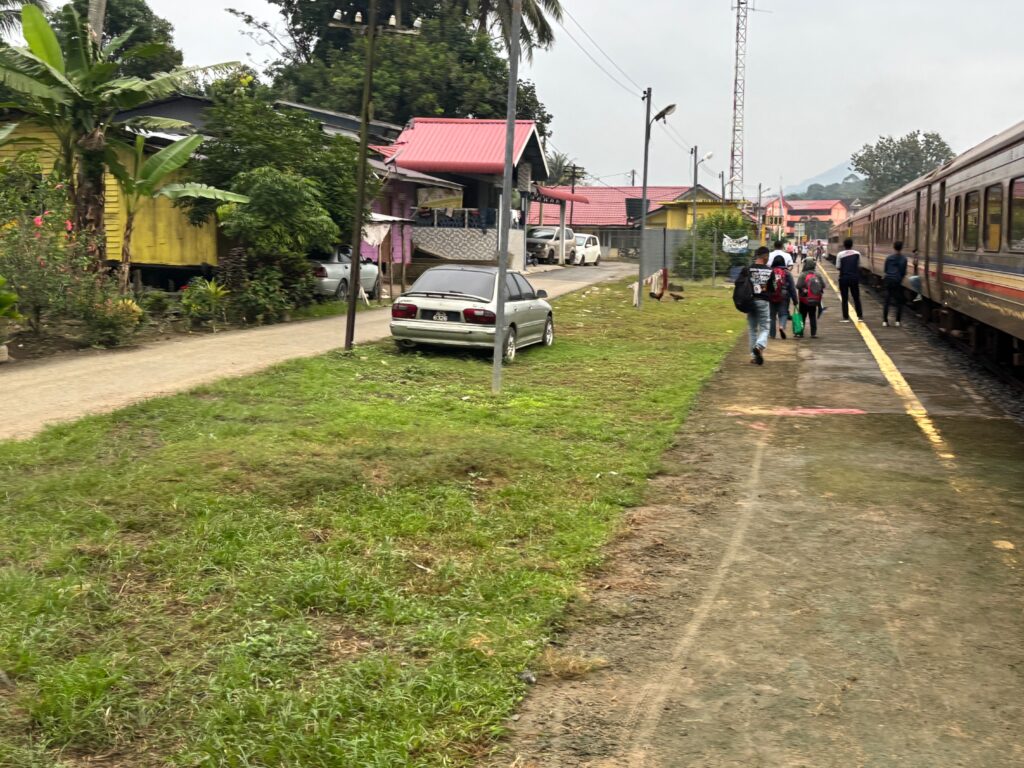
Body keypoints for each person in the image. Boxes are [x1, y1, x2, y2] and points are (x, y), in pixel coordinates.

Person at [747, 246, 774, 365]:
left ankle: (754, 357)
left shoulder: (749, 269)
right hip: (763, 301)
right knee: (765, 327)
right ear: (765, 257)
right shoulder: (769, 271)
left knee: (752, 329)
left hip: (750, 301)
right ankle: (759, 345)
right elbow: (773, 288)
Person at [767, 255, 798, 339]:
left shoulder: (770, 271)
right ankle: (781, 326)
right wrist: (795, 300)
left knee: (772, 316)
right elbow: (792, 288)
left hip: (771, 296)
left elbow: (766, 285)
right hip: (784, 296)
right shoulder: (787, 272)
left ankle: (772, 334)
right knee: (783, 314)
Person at [835, 237, 864, 323]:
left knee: (844, 298)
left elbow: (838, 267)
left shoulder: (840, 254)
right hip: (854, 278)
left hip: (843, 278)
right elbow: (860, 265)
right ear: (852, 245)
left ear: (844, 245)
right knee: (856, 297)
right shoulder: (857, 253)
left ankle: (846, 318)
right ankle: (860, 316)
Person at [796, 258, 825, 338]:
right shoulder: (818, 274)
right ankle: (813, 333)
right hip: (814, 298)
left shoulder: (803, 274)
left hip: (803, 299)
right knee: (812, 315)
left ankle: (800, 333)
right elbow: (823, 285)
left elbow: (798, 286)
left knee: (802, 315)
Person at [882, 240, 908, 326]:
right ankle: (897, 321)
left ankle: (885, 321)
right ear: (901, 248)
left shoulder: (889, 258)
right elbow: (903, 272)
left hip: (888, 280)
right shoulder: (904, 259)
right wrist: (900, 278)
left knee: (887, 301)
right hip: (897, 281)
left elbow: (885, 270)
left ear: (894, 247)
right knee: (899, 301)